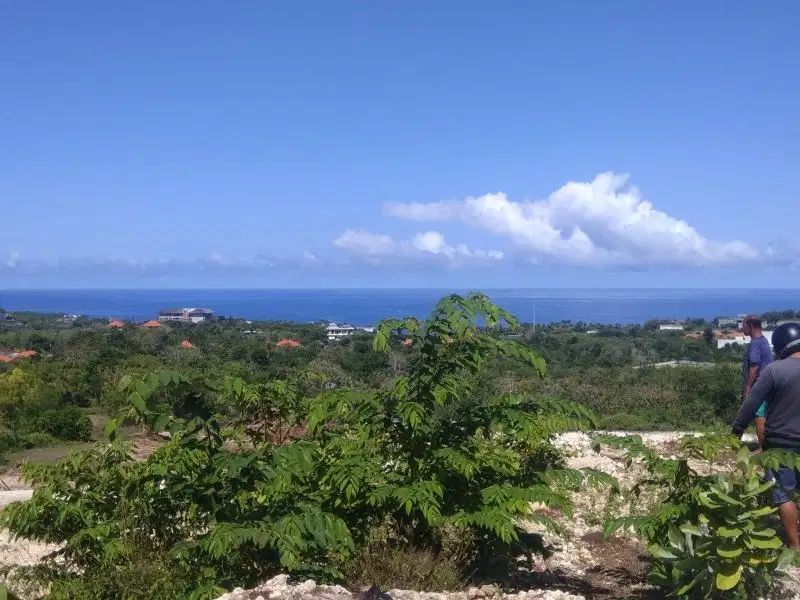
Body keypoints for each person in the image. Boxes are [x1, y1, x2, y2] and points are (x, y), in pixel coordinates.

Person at [732, 322, 800, 549]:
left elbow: (751, 403)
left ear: (781, 346)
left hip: (781, 442)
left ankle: (794, 545)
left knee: (783, 493)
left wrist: (737, 430)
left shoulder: (775, 370)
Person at [741, 315, 774, 447]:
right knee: (762, 416)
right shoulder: (764, 341)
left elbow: (754, 367)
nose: (742, 327)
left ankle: (763, 449)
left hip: (758, 386)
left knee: (758, 416)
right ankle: (764, 446)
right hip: (766, 384)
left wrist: (748, 387)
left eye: (743, 325)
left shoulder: (755, 343)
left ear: (750, 326)